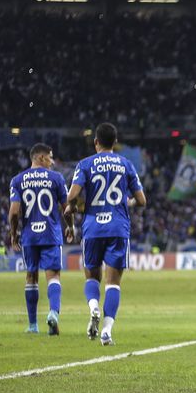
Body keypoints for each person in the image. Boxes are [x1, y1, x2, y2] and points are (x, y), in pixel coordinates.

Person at [65, 123, 147, 345]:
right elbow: (141, 201)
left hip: (92, 228)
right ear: (115, 142)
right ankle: (107, 332)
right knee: (113, 283)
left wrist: (71, 210)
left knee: (92, 276)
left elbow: (72, 197)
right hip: (118, 227)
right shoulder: (126, 164)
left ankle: (93, 308)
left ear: (96, 142)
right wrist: (126, 201)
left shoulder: (85, 164)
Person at [8, 143, 72, 335]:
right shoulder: (57, 178)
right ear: (41, 158)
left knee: (31, 277)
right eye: (50, 157)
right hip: (51, 234)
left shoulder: (18, 180)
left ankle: (33, 325)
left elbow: (13, 213)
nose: (52, 162)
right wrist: (70, 226)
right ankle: (53, 313)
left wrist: (14, 234)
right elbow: (66, 207)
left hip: (29, 236)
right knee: (53, 276)